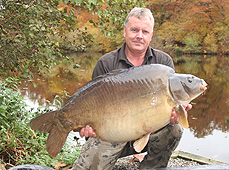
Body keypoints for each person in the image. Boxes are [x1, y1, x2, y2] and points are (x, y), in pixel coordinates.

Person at [72, 7, 192, 170]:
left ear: (151, 35)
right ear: (125, 31)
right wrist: (88, 126)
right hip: (112, 133)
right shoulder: (106, 63)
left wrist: (175, 113)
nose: (139, 36)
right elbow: (93, 106)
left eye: (145, 31)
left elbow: (170, 105)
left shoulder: (164, 63)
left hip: (149, 131)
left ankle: (151, 167)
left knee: (175, 129)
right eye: (134, 30)